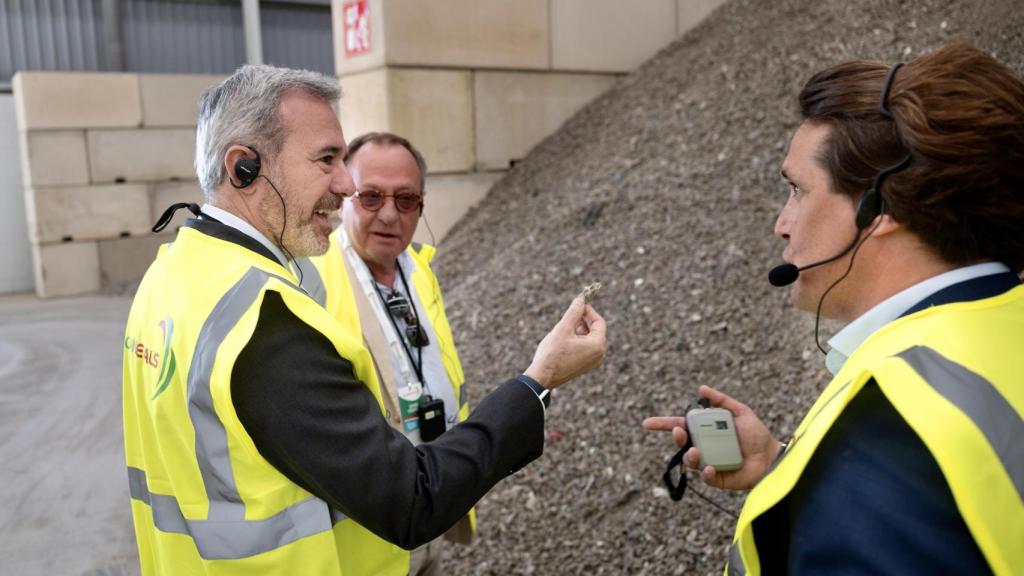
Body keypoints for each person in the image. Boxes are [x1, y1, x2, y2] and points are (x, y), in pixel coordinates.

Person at [123, 65, 607, 575]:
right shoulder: (266, 324)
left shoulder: (170, 275)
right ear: (244, 167)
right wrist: (539, 381)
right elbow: (411, 501)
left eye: (407, 199)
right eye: (326, 159)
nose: (346, 183)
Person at [644, 41, 1023, 575]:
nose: (782, 222)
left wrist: (845, 480)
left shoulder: (886, 448)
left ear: (879, 208)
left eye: (798, 190)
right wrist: (791, 465)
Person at [295, 132, 474, 575]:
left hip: (432, 504)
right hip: (368, 538)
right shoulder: (306, 284)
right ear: (341, 195)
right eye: (370, 197)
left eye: (407, 199)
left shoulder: (419, 272)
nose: (390, 215)